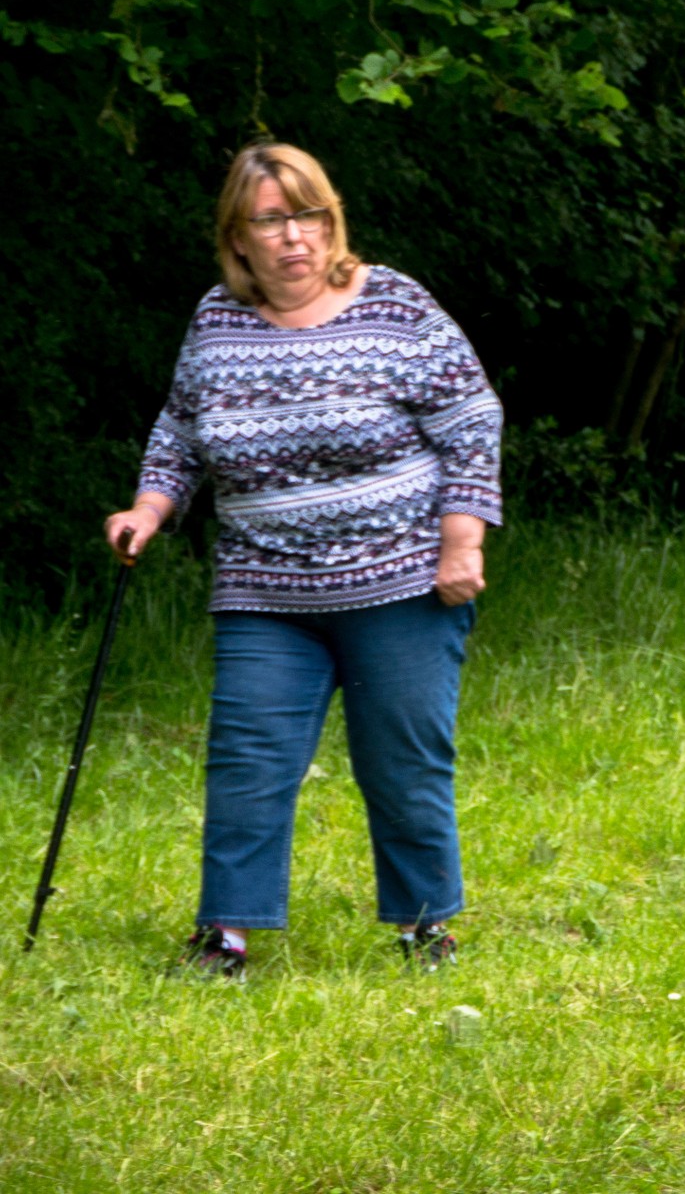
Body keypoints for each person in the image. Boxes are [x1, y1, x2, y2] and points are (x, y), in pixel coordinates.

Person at [104, 143, 503, 979]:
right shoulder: (218, 320)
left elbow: (471, 422)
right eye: (270, 220)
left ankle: (424, 927)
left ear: (332, 220)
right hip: (264, 588)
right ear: (237, 238)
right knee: (248, 758)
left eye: (309, 214)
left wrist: (463, 540)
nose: (294, 236)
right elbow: (179, 433)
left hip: (400, 582)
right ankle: (225, 935)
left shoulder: (396, 305)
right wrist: (147, 510)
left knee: (401, 761)